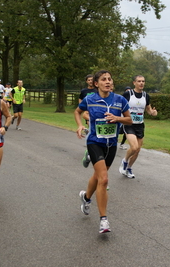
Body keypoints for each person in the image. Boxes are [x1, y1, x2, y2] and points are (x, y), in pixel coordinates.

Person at [74, 70, 132, 233]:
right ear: (96, 84)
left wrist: (117, 118)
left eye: (109, 79)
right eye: (104, 79)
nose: (108, 82)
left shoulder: (120, 100)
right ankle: (103, 220)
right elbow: (77, 111)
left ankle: (86, 198)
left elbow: (129, 119)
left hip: (111, 144)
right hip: (94, 142)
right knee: (104, 179)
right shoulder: (90, 99)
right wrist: (80, 125)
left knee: (98, 176)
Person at [118, 75, 157, 179]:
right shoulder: (128, 94)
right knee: (134, 147)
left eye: (143, 81)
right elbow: (120, 106)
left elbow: (148, 109)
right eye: (139, 81)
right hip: (129, 123)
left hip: (140, 124)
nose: (141, 83)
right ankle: (125, 161)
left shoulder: (146, 95)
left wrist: (153, 113)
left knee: (138, 150)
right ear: (134, 83)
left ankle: (129, 168)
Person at [79, 74, 98, 168]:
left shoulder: (97, 90)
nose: (90, 81)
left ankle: (91, 149)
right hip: (88, 113)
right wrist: (82, 108)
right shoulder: (84, 91)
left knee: (94, 131)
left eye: (92, 80)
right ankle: (90, 150)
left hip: (96, 112)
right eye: (89, 80)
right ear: (86, 81)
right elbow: (80, 101)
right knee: (92, 130)